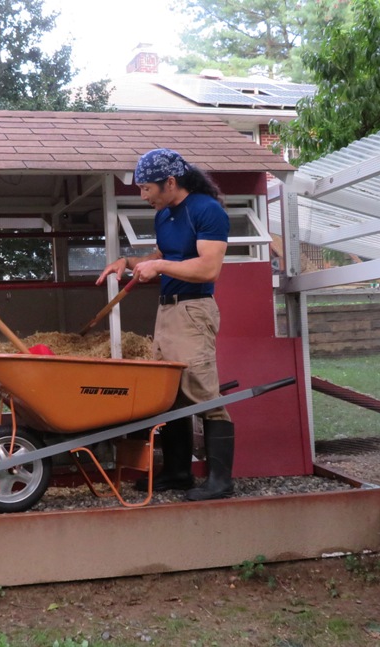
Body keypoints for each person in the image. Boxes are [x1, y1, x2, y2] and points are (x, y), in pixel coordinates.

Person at [96, 148, 233, 501]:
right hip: (168, 311)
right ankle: (177, 471)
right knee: (169, 394)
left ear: (169, 182)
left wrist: (158, 269)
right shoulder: (165, 215)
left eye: (146, 188)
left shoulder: (207, 210)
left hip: (193, 310)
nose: (143, 196)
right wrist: (130, 261)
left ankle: (220, 482)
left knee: (203, 393)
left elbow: (208, 268)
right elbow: (162, 256)